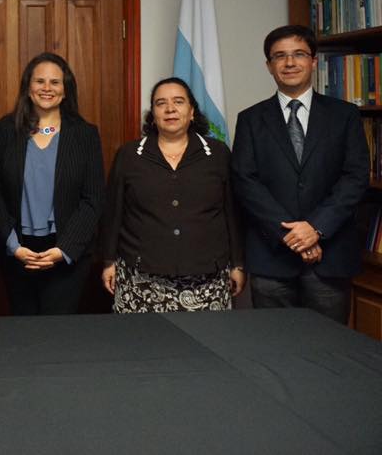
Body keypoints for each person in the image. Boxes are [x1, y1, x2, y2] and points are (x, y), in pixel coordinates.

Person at [231, 25, 369, 324]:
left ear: (314, 61)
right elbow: (245, 181)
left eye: (298, 54)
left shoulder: (344, 115)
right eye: (279, 56)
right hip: (271, 258)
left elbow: (355, 177)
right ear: (269, 66)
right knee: (275, 350)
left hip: (329, 256)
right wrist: (291, 236)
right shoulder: (250, 119)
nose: (289, 63)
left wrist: (315, 229)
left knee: (330, 350)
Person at [100, 77, 244, 312]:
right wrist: (108, 261)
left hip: (207, 278)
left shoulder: (217, 154)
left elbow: (232, 212)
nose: (170, 109)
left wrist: (237, 263)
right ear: (153, 114)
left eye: (178, 101)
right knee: (142, 347)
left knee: (207, 347)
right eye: (160, 103)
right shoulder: (129, 155)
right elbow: (113, 212)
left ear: (192, 111)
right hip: (141, 277)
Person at [0, 53, 104, 315]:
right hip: (18, 251)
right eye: (40, 81)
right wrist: (13, 245)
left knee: (57, 335)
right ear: (28, 88)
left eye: (55, 82)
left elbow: (93, 199)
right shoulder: (7, 129)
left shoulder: (84, 134)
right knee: (24, 333)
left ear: (65, 90)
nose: (47, 88)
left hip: (66, 252)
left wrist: (64, 249)